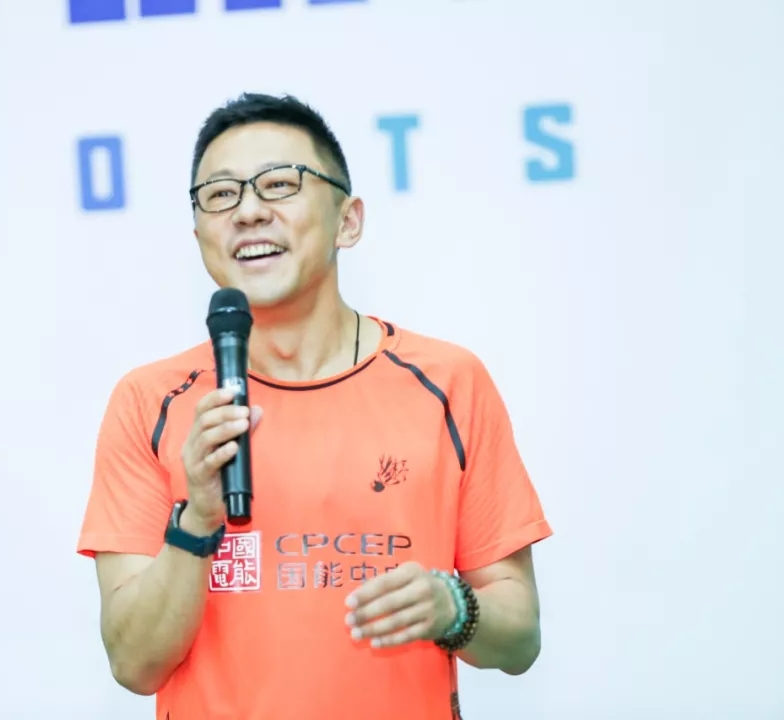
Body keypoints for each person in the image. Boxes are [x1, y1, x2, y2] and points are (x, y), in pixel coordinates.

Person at [76, 92, 553, 720]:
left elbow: (521, 638)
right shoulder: (151, 402)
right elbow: (133, 663)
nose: (248, 211)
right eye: (221, 194)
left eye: (279, 184)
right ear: (200, 238)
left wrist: (453, 607)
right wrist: (196, 519)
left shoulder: (448, 384)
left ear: (347, 221)